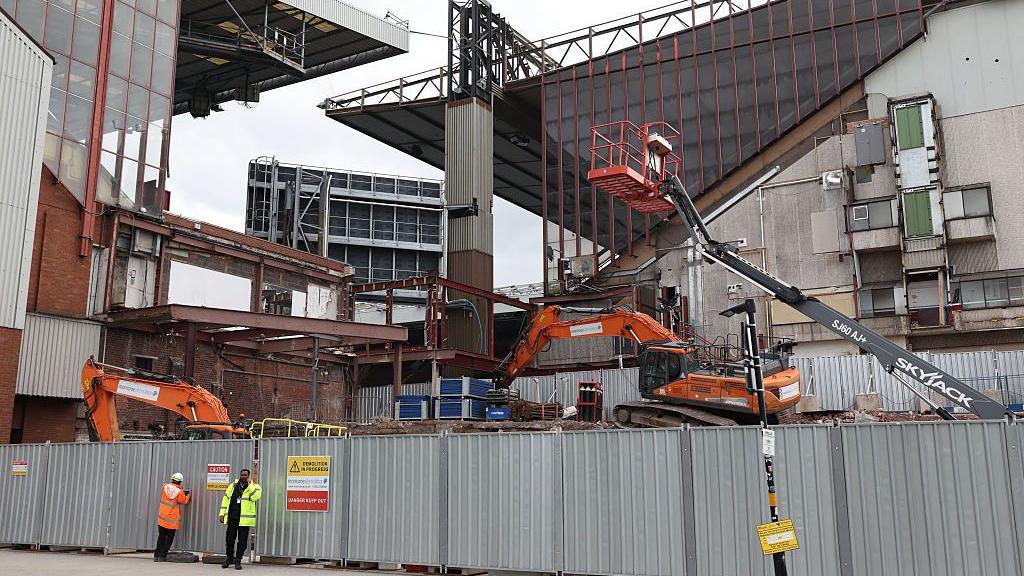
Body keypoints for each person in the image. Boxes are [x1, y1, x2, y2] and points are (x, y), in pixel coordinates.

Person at [218, 468, 262, 570]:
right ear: (239, 475)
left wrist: (249, 484)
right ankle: (229, 558)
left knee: (242, 542)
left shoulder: (255, 487)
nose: (243, 477)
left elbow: (256, 497)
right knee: (229, 540)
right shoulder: (233, 485)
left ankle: (238, 560)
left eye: (245, 475)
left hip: (244, 520)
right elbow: (225, 498)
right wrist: (222, 514)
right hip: (232, 517)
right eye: (242, 475)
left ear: (248, 476)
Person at [155, 472, 191, 562]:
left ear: (172, 479)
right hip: (172, 521)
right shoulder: (180, 492)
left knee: (161, 537)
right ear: (180, 482)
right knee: (169, 539)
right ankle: (162, 556)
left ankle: (156, 556)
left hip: (162, 518)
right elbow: (183, 501)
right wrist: (188, 496)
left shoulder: (164, 487)